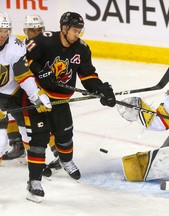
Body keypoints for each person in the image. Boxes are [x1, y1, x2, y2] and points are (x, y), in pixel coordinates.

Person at [24, 11, 116, 200]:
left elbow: (87, 75)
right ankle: (34, 181)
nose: (77, 34)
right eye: (75, 30)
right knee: (39, 140)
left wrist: (101, 89)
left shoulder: (81, 48)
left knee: (65, 135)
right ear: (64, 28)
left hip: (60, 99)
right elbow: (26, 60)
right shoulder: (45, 40)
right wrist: (41, 72)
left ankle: (65, 161)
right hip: (39, 98)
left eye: (80, 31)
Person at [2, 14, 61, 175]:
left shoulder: (47, 47)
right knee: (15, 118)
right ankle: (18, 145)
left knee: (42, 122)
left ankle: (59, 152)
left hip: (38, 90)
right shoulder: (24, 46)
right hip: (21, 90)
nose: (35, 33)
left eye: (38, 30)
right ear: (25, 31)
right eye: (31, 30)